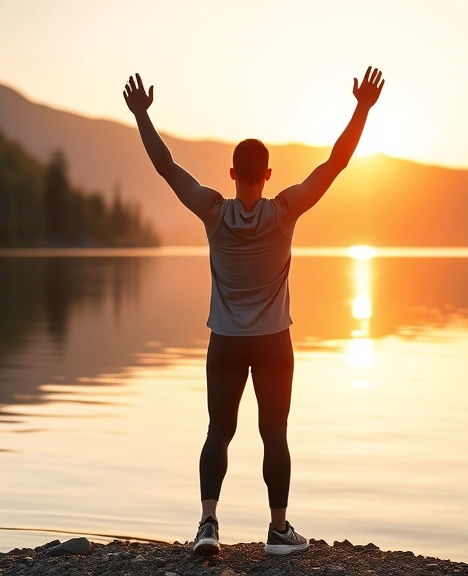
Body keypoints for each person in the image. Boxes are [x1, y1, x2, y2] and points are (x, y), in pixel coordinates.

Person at [123, 66, 385, 556]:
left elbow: (167, 167)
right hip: (272, 343)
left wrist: (142, 116)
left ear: (230, 174)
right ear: (267, 175)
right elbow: (335, 164)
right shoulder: (284, 211)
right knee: (274, 435)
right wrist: (362, 108)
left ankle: (207, 525)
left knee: (218, 432)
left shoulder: (213, 212)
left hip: (224, 340)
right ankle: (279, 532)